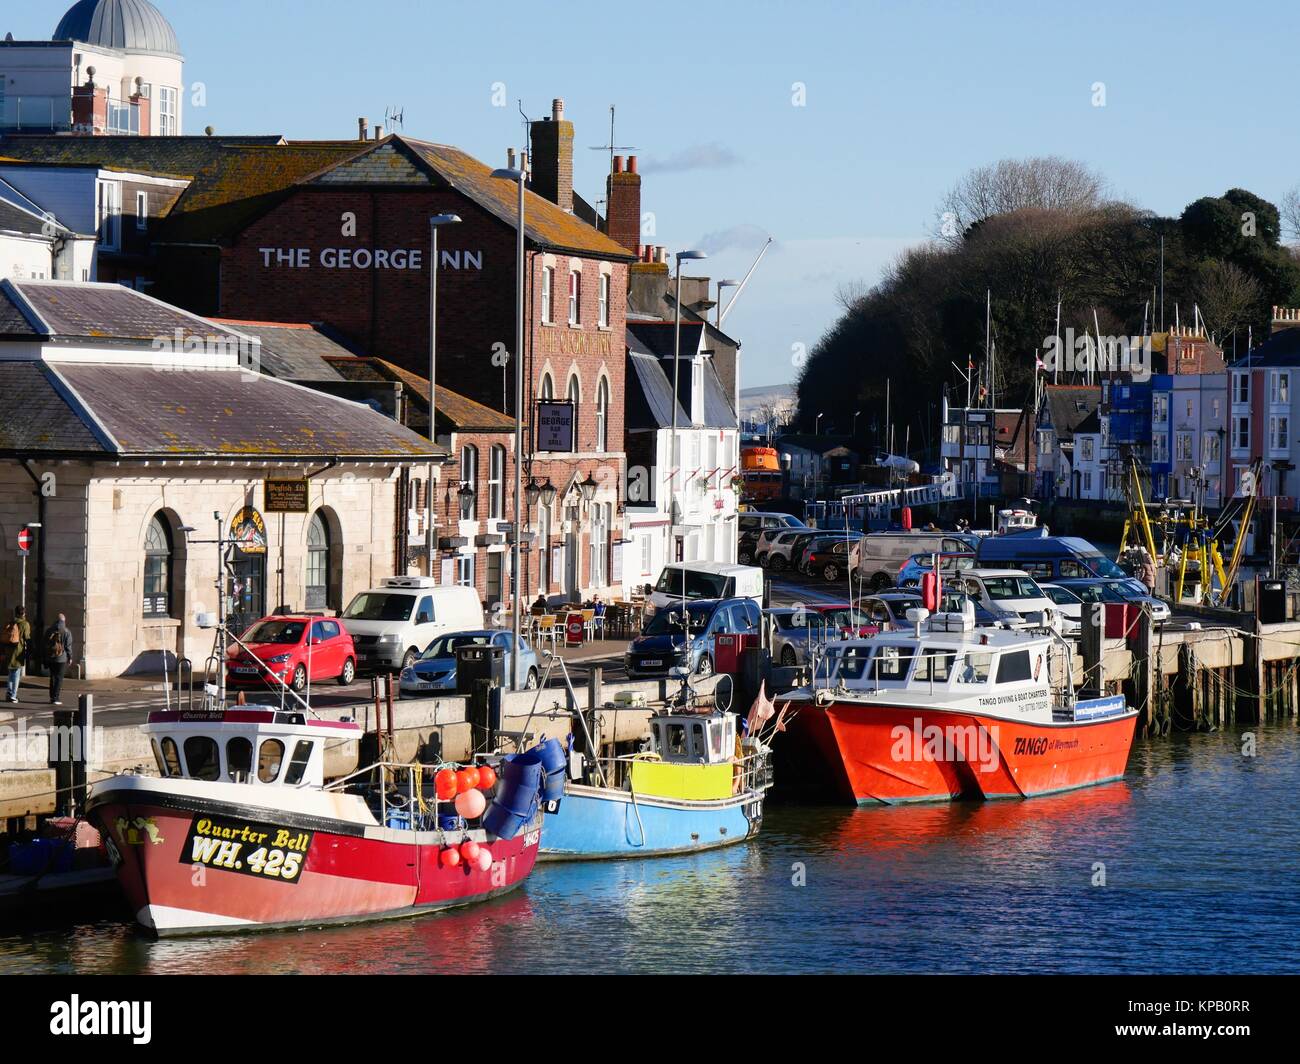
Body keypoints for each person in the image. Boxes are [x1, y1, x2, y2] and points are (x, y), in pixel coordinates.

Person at [3, 606, 32, 704]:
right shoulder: (25, 624)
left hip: (9, 650)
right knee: (16, 675)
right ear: (23, 613)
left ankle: (9, 693)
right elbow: (27, 638)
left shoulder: (10, 622)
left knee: (11, 673)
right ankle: (13, 695)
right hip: (18, 651)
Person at [44, 613, 73, 706]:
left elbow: (44, 644)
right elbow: (68, 646)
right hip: (61, 658)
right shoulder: (66, 631)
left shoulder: (49, 630)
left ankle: (52, 697)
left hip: (51, 657)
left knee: (52, 677)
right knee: (59, 678)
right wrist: (70, 657)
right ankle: (56, 697)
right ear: (64, 621)